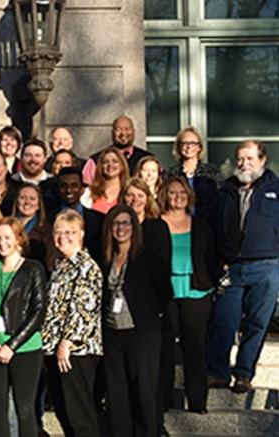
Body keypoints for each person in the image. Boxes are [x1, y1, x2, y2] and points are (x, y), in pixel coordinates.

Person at [207, 140, 279, 393]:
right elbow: (214, 228)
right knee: (224, 320)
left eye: (250, 159)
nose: (244, 164)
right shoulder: (226, 190)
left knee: (258, 322)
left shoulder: (276, 189)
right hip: (231, 268)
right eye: (240, 158)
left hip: (267, 266)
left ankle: (244, 374)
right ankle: (217, 372)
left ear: (262, 160)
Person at [100, 205, 172, 437]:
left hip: (141, 333)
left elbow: (165, 292)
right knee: (117, 392)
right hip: (112, 333)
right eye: (116, 223)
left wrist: (152, 315)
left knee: (143, 389)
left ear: (134, 227)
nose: (121, 228)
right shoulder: (106, 257)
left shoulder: (147, 256)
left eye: (126, 223)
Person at [0, 218, 46, 437]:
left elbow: (39, 311)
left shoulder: (33, 269)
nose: (2, 242)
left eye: (8, 237)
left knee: (24, 409)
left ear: (19, 239)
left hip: (25, 348)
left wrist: (12, 346)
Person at [158, 177, 217, 414]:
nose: (177, 196)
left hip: (196, 293)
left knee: (195, 349)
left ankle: (197, 403)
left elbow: (211, 257)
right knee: (165, 351)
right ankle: (164, 402)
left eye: (182, 192)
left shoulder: (200, 225)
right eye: (172, 192)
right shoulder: (155, 225)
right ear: (165, 196)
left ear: (189, 196)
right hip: (166, 295)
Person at [42, 209, 102, 437]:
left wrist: (66, 343)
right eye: (58, 232)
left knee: (79, 416)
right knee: (65, 413)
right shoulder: (61, 266)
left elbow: (83, 309)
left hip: (75, 352)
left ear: (82, 234)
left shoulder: (86, 266)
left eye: (70, 232)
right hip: (56, 350)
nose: (63, 237)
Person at [45, 167, 105, 265]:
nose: (69, 190)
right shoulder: (47, 219)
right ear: (57, 190)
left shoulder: (99, 220)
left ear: (82, 189)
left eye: (74, 186)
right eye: (63, 186)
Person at [163, 127, 221, 223]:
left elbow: (219, 201)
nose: (189, 147)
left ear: (199, 147)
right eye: (185, 143)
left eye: (193, 143)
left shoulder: (211, 172)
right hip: (178, 223)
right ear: (178, 147)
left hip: (208, 224)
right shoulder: (170, 174)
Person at [82, 115, 153, 184]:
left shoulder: (147, 159)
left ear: (133, 132)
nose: (123, 133)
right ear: (112, 132)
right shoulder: (95, 161)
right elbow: (86, 189)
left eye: (127, 129)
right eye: (118, 130)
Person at [80, 147, 129, 214]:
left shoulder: (128, 191)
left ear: (122, 165)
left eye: (115, 161)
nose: (110, 165)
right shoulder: (89, 193)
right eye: (105, 162)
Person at [13, 183, 50, 265]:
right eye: (23, 198)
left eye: (32, 199)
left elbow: (50, 261)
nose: (27, 202)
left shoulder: (46, 230)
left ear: (39, 205)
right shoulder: (6, 227)